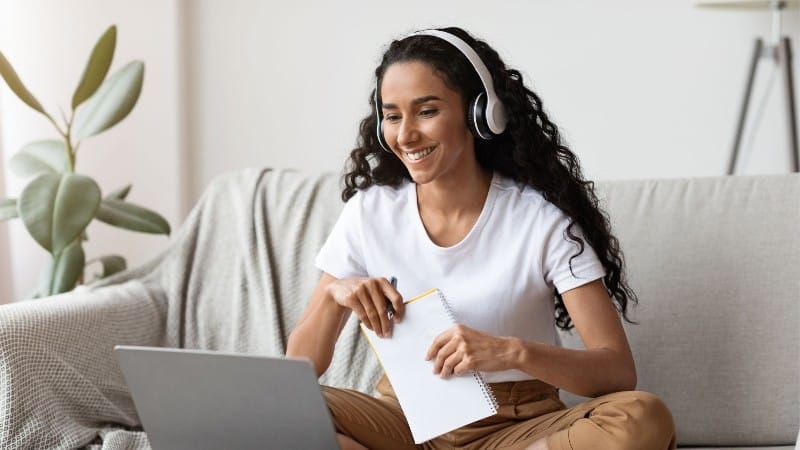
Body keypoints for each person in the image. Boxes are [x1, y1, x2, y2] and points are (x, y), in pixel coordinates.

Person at [286, 26, 676, 450]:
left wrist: (511, 353)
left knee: (641, 417)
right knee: (277, 409)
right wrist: (334, 294)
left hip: (516, 427)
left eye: (426, 111)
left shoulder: (540, 221)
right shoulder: (369, 211)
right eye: (393, 115)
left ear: (481, 114)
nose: (406, 134)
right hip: (404, 421)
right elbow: (299, 368)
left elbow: (617, 371)